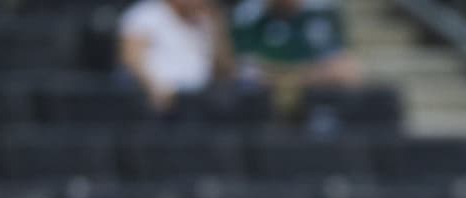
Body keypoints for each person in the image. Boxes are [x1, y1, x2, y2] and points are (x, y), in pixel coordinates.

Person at [118, 0, 237, 113]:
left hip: (202, 101)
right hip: (159, 102)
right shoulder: (147, 14)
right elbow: (131, 58)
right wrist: (153, 85)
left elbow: (224, 68)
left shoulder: (205, 18)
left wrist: (217, 26)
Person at [230, 0, 362, 89]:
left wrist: (295, 79)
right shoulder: (247, 14)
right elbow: (241, 65)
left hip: (312, 84)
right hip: (263, 87)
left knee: (348, 70)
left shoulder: (322, 12)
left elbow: (339, 62)